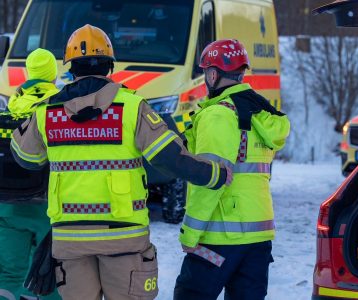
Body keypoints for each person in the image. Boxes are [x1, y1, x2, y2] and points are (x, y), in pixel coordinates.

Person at [11, 24, 231, 300]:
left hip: (70, 239)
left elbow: (26, 158)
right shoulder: (132, 107)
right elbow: (171, 159)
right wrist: (216, 175)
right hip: (123, 237)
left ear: (71, 68)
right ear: (109, 67)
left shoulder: (47, 112)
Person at [174, 39, 290, 300]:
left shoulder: (218, 115)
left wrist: (190, 233)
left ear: (213, 74)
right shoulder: (259, 113)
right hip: (258, 237)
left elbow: (210, 181)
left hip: (221, 235)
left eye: (206, 73)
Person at [0, 48, 61, 300]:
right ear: (53, 76)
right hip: (48, 209)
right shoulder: (59, 107)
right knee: (49, 275)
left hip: (7, 209)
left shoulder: (11, 106)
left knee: (9, 274)